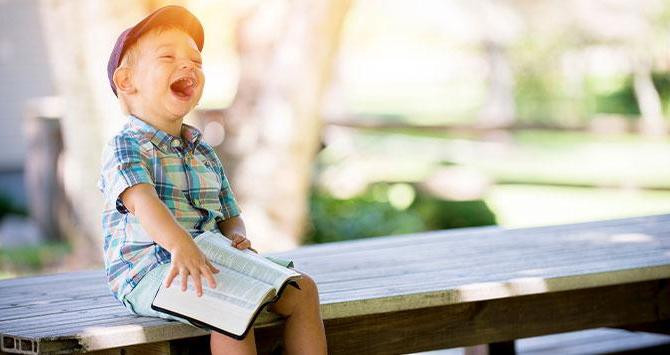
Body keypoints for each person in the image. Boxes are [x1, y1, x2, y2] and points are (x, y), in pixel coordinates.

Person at [97, 6, 327, 354]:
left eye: (196, 60)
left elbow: (228, 213)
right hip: (150, 271)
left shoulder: (201, 149)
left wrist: (237, 235)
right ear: (127, 81)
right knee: (233, 308)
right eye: (168, 56)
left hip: (210, 258)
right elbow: (144, 202)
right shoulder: (126, 146)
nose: (188, 65)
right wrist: (180, 245)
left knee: (302, 290)